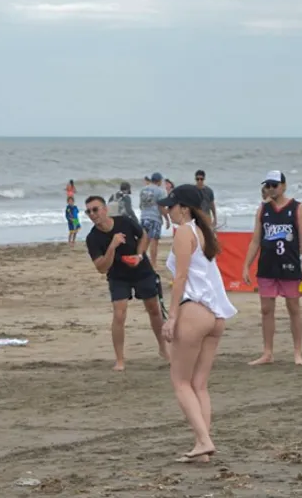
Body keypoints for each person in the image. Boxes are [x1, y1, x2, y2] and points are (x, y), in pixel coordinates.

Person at [157, 185, 237, 464]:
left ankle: (204, 440)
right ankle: (202, 444)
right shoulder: (204, 233)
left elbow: (180, 279)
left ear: (185, 208)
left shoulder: (184, 233)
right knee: (199, 384)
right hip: (215, 315)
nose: (168, 210)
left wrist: (172, 317)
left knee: (180, 381)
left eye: (172, 205)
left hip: (194, 310)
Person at [84, 195, 166, 370]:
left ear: (105, 209)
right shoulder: (93, 238)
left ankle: (164, 348)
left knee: (153, 309)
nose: (92, 214)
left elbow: (144, 236)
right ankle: (120, 360)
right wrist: (112, 247)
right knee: (119, 314)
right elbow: (101, 267)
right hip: (118, 276)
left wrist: (139, 255)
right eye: (88, 211)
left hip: (142, 270)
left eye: (95, 209)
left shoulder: (124, 222)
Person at [242, 171, 302, 366]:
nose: (271, 189)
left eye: (275, 185)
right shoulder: (263, 210)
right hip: (267, 265)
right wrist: (246, 265)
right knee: (266, 309)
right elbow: (255, 240)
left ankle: (297, 353)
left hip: (289, 265)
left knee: (293, 308)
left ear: (283, 185)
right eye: (268, 185)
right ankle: (267, 352)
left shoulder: (296, 208)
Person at [139, 172, 168, 266]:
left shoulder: (143, 190)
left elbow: (141, 205)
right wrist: (167, 219)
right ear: (159, 181)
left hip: (144, 217)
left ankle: (141, 260)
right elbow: (161, 207)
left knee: (144, 241)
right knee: (154, 241)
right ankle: (153, 263)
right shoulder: (160, 191)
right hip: (155, 218)